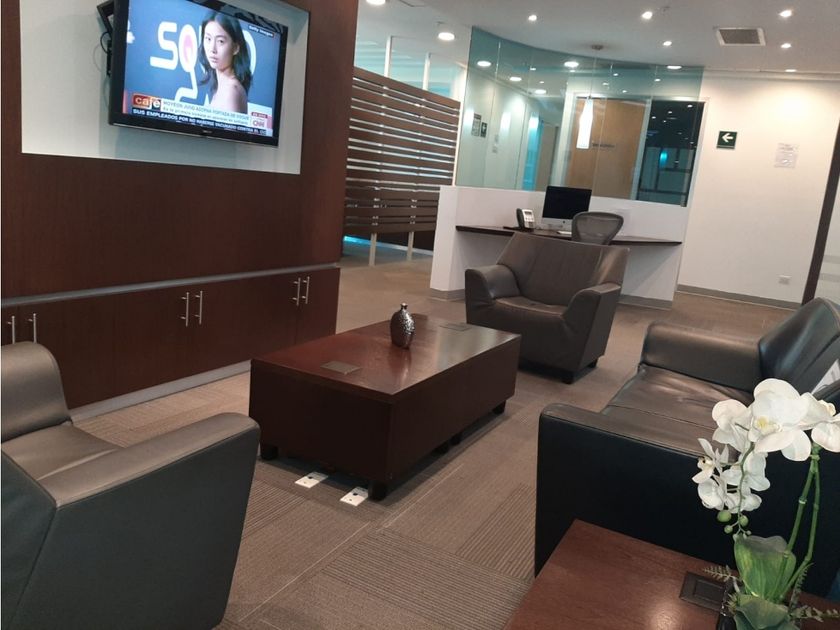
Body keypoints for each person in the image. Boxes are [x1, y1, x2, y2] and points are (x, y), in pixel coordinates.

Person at [197, 12, 251, 113]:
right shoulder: (223, 87)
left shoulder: (231, 91)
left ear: (235, 48)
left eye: (220, 41)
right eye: (208, 39)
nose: (212, 49)